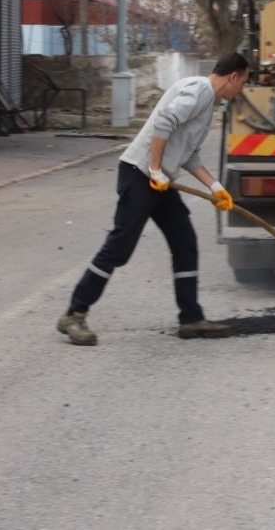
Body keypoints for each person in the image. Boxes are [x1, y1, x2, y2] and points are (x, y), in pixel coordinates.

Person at [58, 53, 251, 345]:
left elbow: (190, 155)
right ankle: (74, 314)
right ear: (233, 76)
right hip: (140, 175)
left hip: (160, 182)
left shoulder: (207, 104)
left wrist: (214, 187)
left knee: (184, 242)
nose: (242, 90)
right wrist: (156, 168)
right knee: (119, 247)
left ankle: (191, 318)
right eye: (244, 82)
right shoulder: (199, 89)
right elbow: (164, 121)